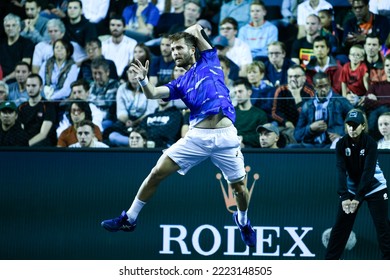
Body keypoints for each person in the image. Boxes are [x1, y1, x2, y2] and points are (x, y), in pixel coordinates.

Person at [101, 24, 257, 248]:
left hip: (225, 138)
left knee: (240, 188)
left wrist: (182, 35)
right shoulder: (180, 83)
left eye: (179, 48)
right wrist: (144, 80)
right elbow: (153, 94)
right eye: (172, 50)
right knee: (156, 172)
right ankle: (130, 218)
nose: (174, 53)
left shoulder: (210, 60)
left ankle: (242, 222)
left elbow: (195, 27)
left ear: (193, 49)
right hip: (197, 137)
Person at [325, 108, 390, 260]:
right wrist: (344, 196)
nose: (352, 128)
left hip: (375, 187)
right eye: (349, 125)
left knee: (382, 226)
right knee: (341, 226)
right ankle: (329, 263)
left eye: (355, 125)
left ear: (362, 126)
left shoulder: (370, 143)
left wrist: (358, 199)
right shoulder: (341, 144)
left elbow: (368, 173)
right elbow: (340, 170)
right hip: (352, 188)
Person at [293, 72, 353, 148]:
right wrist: (310, 128)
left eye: (326, 85)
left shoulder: (341, 102)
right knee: (290, 148)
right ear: (314, 87)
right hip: (311, 145)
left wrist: (341, 137)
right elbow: (297, 135)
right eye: (320, 87)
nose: (324, 89)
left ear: (330, 84)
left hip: (332, 145)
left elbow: (356, 123)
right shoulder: (307, 106)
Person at [106, 64, 158, 147]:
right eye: (130, 72)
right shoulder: (122, 88)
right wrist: (127, 121)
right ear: (127, 74)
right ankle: (136, 142)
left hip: (144, 121)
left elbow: (150, 112)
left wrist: (135, 122)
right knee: (112, 136)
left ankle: (136, 141)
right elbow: (121, 111)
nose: (133, 75)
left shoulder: (149, 87)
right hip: (126, 122)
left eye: (135, 72)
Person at [272, 65, 315, 144]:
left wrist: (297, 96)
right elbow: (275, 112)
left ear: (304, 78)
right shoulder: (281, 90)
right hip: (286, 125)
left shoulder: (310, 91)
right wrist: (286, 122)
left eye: (296, 76)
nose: (292, 79)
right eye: (290, 76)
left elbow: (309, 116)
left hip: (305, 126)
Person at [18, 74, 57, 146]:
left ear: (41, 87)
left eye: (33, 85)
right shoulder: (22, 107)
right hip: (25, 143)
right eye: (28, 85)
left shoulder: (48, 106)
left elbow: (43, 134)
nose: (30, 88)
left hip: (42, 145)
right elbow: (21, 130)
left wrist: (26, 145)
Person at [362, 54, 390, 141]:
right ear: (384, 68)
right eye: (387, 65)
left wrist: (378, 101)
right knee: (376, 112)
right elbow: (367, 103)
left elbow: (373, 103)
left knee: (379, 110)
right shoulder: (376, 85)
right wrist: (386, 102)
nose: (389, 68)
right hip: (377, 119)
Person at [0, 13, 34, 84]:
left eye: (14, 25)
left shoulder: (27, 43)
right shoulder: (1, 43)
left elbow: (24, 68)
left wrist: (5, 79)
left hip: (18, 81)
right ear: (4, 28)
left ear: (19, 28)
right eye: (7, 26)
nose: (10, 28)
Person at [233, 78, 267, 148]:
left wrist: (243, 138)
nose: (237, 95)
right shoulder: (230, 113)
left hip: (252, 149)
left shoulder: (260, 114)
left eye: (240, 91)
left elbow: (263, 137)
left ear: (249, 92)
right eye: (235, 92)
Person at [88, 58, 120, 130]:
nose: (97, 76)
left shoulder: (114, 85)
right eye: (95, 73)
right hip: (92, 118)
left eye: (100, 73)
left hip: (108, 119)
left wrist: (92, 102)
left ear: (107, 72)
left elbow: (107, 103)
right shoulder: (92, 85)